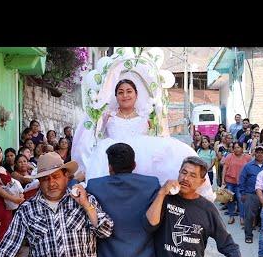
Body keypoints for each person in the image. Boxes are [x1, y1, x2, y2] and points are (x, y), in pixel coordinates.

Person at [72, 77, 214, 201]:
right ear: (116, 96)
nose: (125, 95)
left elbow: (159, 137)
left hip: (142, 155)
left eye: (129, 91)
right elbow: (96, 135)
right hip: (114, 153)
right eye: (120, 92)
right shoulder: (108, 115)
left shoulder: (146, 116)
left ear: (136, 94)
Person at [238, 145, 263, 243]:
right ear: (255, 153)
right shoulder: (248, 166)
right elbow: (242, 180)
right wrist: (243, 193)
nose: (260, 154)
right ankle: (248, 235)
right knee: (249, 216)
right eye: (258, 152)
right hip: (251, 194)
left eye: (262, 152)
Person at [221, 141, 251, 225]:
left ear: (242, 148)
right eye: (235, 148)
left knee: (241, 200)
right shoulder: (229, 156)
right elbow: (224, 168)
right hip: (230, 181)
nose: (237, 149)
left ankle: (242, 217)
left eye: (238, 147)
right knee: (230, 199)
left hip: (241, 183)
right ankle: (231, 216)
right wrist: (223, 181)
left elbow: (250, 170)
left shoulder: (247, 158)